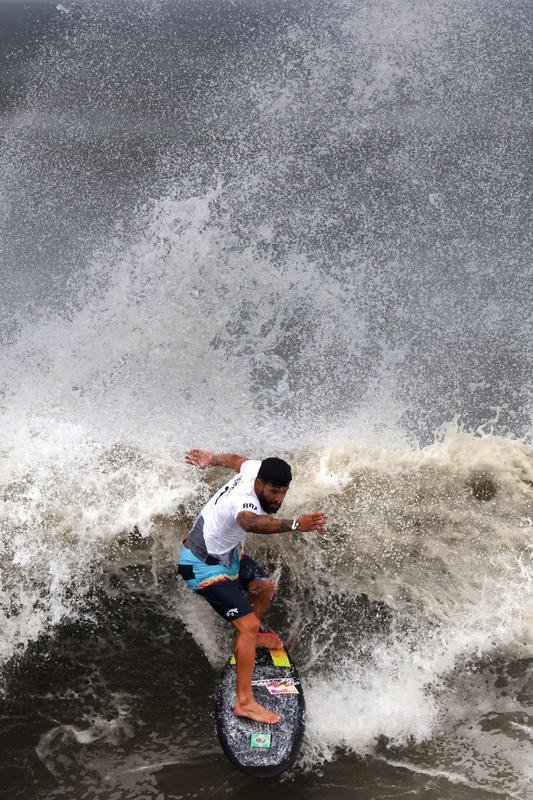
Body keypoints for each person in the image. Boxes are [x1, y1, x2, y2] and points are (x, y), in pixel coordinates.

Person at [178, 449, 328, 724]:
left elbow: (236, 460)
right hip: (200, 566)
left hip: (226, 555)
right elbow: (251, 522)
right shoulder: (243, 502)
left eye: (283, 492)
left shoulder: (254, 469)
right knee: (247, 625)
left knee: (263, 587)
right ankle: (244, 702)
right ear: (259, 484)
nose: (278, 499)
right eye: (273, 492)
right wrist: (296, 524)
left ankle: (253, 638)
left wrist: (210, 459)